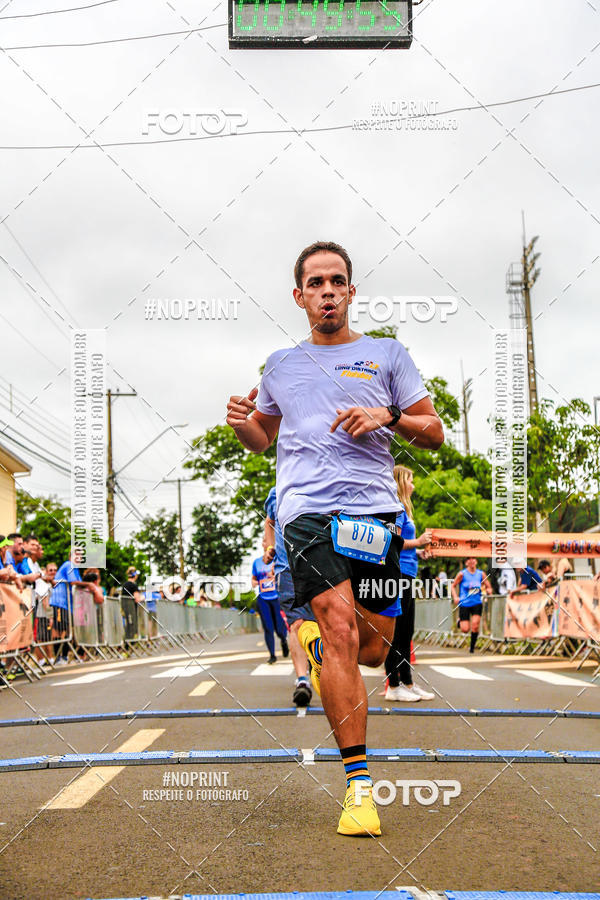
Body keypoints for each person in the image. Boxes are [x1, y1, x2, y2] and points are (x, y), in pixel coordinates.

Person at [227, 240, 443, 836]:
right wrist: (244, 423)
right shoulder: (279, 364)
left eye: (337, 281)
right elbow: (263, 439)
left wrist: (388, 417)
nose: (327, 291)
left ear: (351, 291)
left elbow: (435, 433)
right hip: (307, 515)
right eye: (315, 282)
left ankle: (320, 649)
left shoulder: (387, 355)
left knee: (373, 647)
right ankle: (358, 788)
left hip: (373, 516)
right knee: (340, 627)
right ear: (299, 296)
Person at [384, 465, 435, 702]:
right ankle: (392, 685)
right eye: (411, 480)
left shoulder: (404, 509)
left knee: (407, 632)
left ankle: (407, 681)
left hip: (409, 573)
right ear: (401, 483)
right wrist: (418, 541)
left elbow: (406, 546)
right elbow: (393, 542)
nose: (414, 485)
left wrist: (420, 552)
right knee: (398, 631)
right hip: (398, 574)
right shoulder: (394, 509)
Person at [264, 485, 314, 706]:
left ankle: (317, 667)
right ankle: (302, 681)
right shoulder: (276, 493)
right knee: (297, 624)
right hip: (286, 569)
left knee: (322, 623)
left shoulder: (321, 483)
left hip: (322, 568)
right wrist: (269, 548)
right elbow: (269, 522)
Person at [251, 541, 289, 664]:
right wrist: (254, 583)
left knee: (279, 627)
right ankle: (272, 655)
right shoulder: (256, 563)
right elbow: (253, 579)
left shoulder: (277, 560)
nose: (267, 544)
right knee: (268, 627)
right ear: (262, 544)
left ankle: (283, 640)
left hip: (276, 597)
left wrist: (274, 577)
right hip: (263, 599)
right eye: (265, 542)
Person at [50, 549, 86, 664]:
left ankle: (63, 656)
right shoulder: (69, 565)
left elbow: (77, 582)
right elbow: (73, 582)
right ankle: (59, 657)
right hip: (59, 602)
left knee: (66, 629)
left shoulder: (75, 568)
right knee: (60, 630)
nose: (79, 558)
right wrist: (89, 585)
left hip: (67, 604)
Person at [451, 556, 492, 653]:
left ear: (476, 561)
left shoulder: (481, 574)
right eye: (469, 559)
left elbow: (488, 586)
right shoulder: (462, 574)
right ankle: (459, 622)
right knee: (465, 629)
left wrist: (489, 590)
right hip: (464, 603)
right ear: (466, 563)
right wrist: (455, 597)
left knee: (475, 625)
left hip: (477, 602)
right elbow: (453, 586)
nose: (472, 561)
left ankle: (472, 647)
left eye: (473, 559)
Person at [33, 561, 57, 664]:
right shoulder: (43, 584)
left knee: (45, 637)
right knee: (42, 638)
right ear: (46, 572)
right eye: (50, 570)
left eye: (55, 570)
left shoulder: (48, 584)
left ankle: (47, 658)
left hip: (44, 614)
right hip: (42, 614)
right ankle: (43, 659)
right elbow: (45, 602)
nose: (53, 572)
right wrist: (50, 616)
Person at [121, 566, 141, 643]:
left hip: (125, 608)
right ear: (135, 575)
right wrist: (143, 597)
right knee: (132, 625)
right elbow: (137, 599)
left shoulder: (125, 585)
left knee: (127, 625)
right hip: (131, 609)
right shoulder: (133, 585)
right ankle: (130, 643)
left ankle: (127, 642)